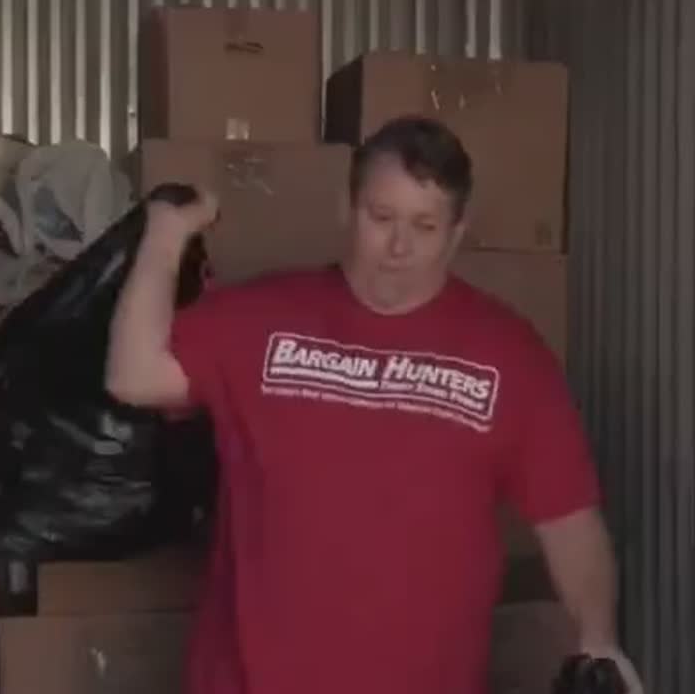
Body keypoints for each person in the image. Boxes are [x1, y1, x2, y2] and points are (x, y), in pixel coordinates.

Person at [106, 115, 643, 694]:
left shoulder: (509, 356)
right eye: (381, 217)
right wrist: (165, 235)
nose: (398, 247)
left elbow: (568, 520)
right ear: (347, 208)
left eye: (425, 225)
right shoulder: (263, 319)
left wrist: (598, 639)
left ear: (457, 233)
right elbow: (134, 376)